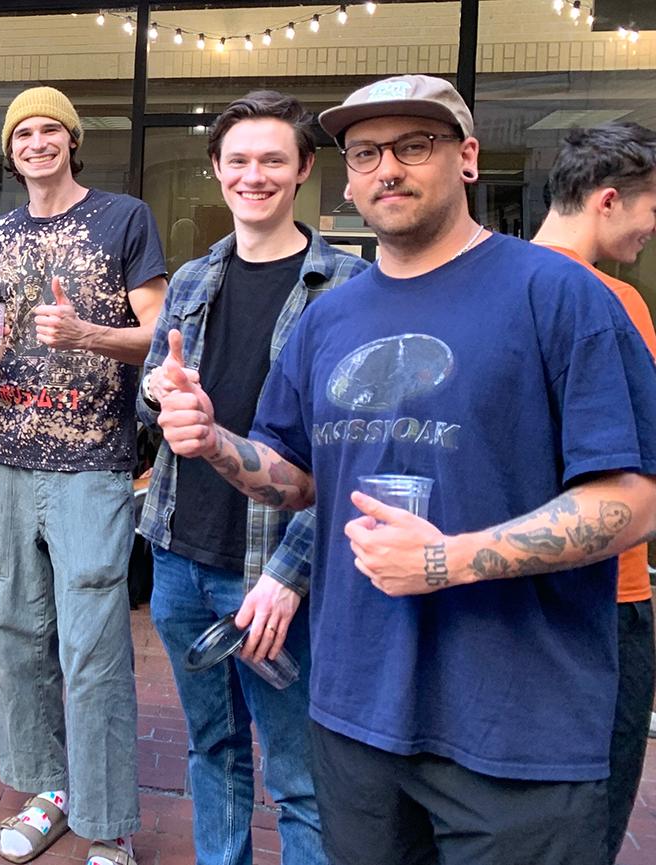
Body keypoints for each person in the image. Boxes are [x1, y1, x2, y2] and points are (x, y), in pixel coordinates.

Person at [154, 74, 656, 864]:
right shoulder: (330, 319)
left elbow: (631, 503)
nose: (387, 167)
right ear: (348, 178)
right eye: (365, 152)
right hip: (356, 713)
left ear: (467, 158)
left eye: (413, 145)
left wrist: (446, 559)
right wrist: (214, 439)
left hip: (515, 731)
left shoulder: (558, 295)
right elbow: (295, 474)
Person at [137, 91, 367, 865]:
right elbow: (151, 384)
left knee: (299, 774)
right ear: (216, 170)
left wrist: (292, 573)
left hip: (269, 573)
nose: (254, 175)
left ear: (304, 168)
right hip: (179, 553)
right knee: (213, 749)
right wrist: (159, 392)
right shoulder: (196, 277)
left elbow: (347, 456)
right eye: (238, 160)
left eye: (273, 159)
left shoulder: (346, 288)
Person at [0, 85, 167, 865]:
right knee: (15, 635)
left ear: (73, 141)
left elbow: (159, 336)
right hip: (7, 455)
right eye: (23, 133)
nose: (37, 142)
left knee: (94, 644)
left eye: (51, 130)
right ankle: (48, 789)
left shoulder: (124, 218)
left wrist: (84, 331)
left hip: (92, 463)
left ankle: (107, 823)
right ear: (11, 151)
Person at [530, 120, 656, 865]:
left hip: (519, 591)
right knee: (594, 814)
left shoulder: (494, 285)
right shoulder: (615, 300)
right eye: (650, 213)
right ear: (608, 200)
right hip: (609, 592)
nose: (650, 232)